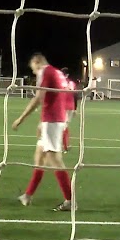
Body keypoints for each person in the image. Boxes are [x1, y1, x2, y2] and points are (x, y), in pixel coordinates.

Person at [14, 53, 75, 212]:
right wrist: (42, 122)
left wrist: (21, 119)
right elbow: (54, 97)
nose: (34, 72)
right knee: (39, 158)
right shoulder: (57, 72)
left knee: (55, 160)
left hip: (52, 120)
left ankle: (70, 200)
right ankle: (27, 196)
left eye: (33, 68)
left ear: (37, 62)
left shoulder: (45, 72)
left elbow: (38, 98)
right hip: (54, 119)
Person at [60, 67, 76, 153]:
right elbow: (75, 96)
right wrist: (75, 108)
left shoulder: (59, 82)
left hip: (62, 107)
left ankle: (64, 146)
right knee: (64, 126)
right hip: (71, 107)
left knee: (62, 126)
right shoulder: (71, 83)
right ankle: (65, 146)